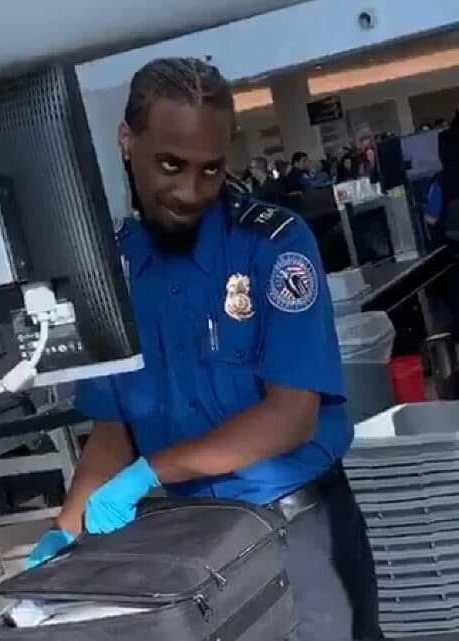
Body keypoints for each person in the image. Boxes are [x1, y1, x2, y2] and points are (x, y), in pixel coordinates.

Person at [27, 57, 381, 641]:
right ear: (127, 141)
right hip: (194, 546)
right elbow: (114, 427)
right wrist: (66, 533)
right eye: (171, 165)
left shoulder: (272, 246)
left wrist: (152, 471)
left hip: (301, 532)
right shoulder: (108, 270)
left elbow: (291, 416)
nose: (191, 191)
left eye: (211, 169)